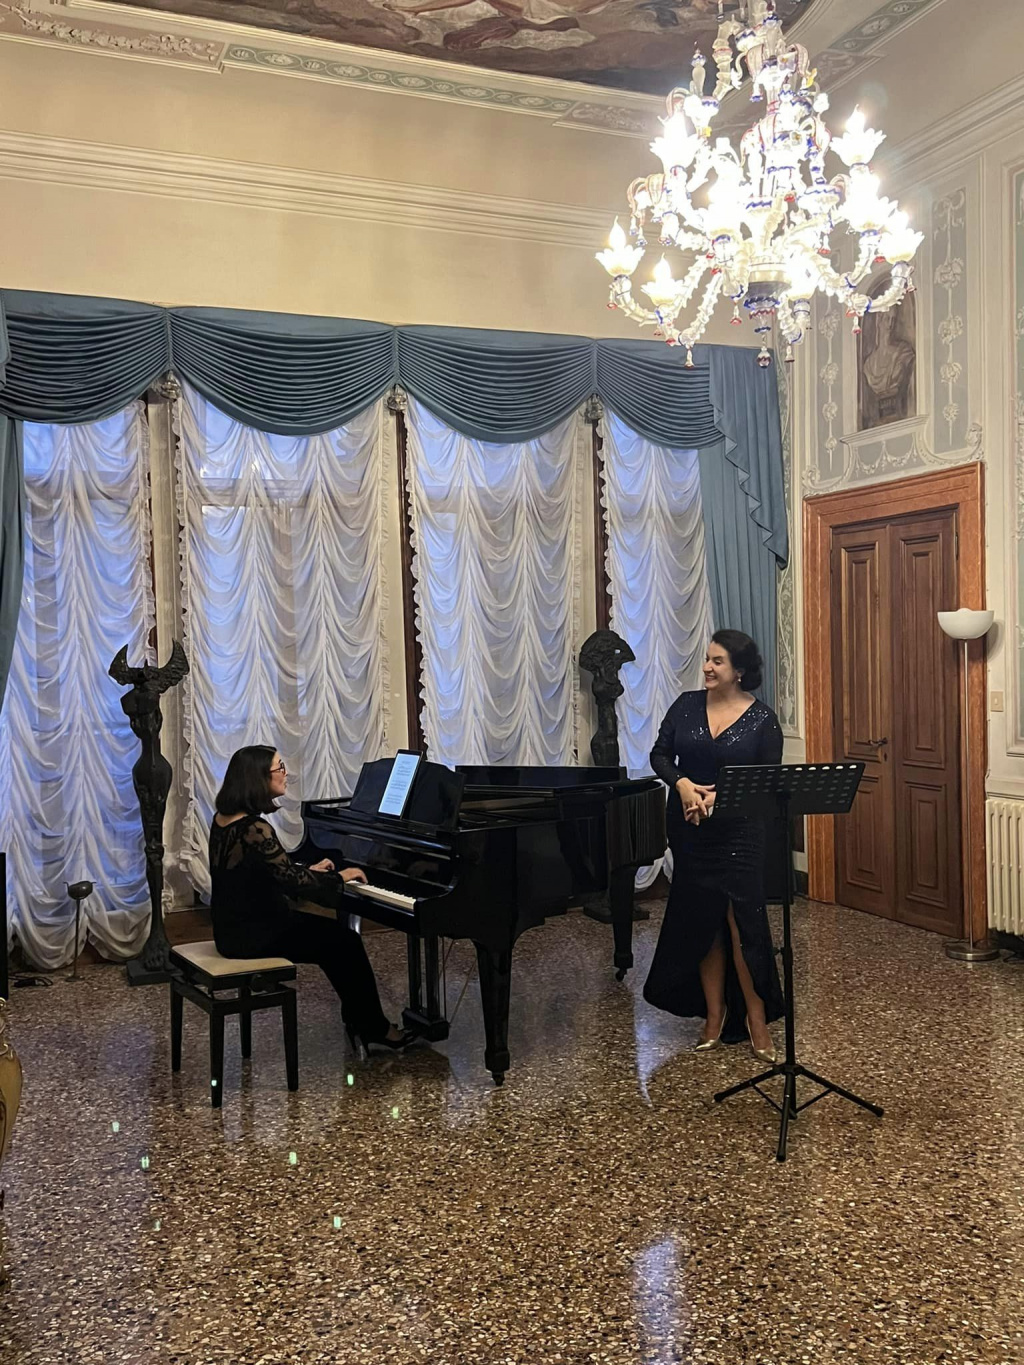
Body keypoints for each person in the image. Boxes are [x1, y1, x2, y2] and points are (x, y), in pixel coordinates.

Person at [208, 745, 413, 1053]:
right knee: (344, 942)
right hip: (255, 934)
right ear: (258, 778)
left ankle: (361, 1020)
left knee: (336, 941)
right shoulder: (256, 828)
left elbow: (266, 871)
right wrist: (339, 877)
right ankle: (374, 1027)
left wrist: (307, 870)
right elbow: (293, 882)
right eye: (279, 768)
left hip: (232, 929)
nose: (286, 773)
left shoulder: (224, 819)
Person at [643, 630, 785, 1060]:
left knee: (744, 925)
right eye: (707, 659)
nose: (707, 667)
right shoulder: (685, 705)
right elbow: (659, 755)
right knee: (703, 920)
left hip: (740, 832)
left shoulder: (763, 720)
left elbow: (765, 781)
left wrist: (720, 797)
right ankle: (713, 1013)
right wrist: (682, 784)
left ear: (739, 670)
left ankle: (756, 1019)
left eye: (717, 661)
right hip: (690, 829)